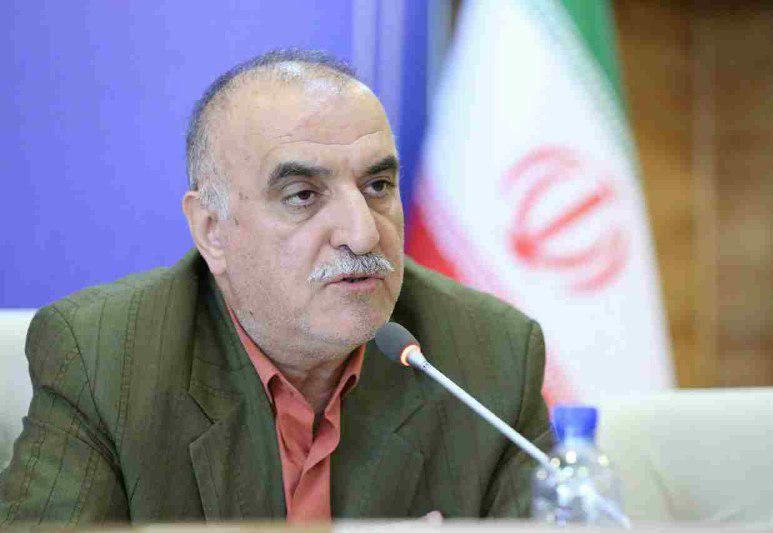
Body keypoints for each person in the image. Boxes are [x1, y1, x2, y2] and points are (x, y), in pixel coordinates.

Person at [0, 50, 551, 525]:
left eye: (378, 185)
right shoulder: (103, 358)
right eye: (303, 196)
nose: (363, 233)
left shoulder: (492, 355)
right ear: (212, 231)